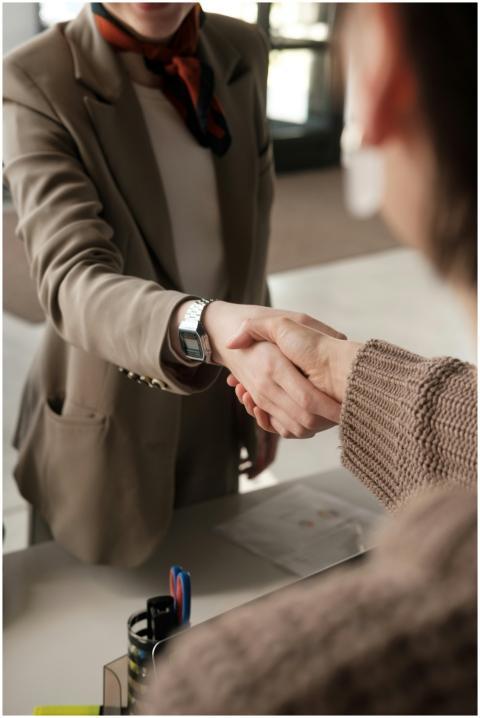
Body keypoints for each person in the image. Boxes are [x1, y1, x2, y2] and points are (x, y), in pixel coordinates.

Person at [142, 3, 477, 714]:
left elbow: (251, 217)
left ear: (380, 70)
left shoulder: (256, 689)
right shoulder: (33, 74)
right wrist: (340, 371)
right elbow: (74, 273)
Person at [3, 2, 340, 567]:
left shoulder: (243, 50)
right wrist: (207, 327)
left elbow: (245, 246)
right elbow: (73, 279)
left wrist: (254, 383)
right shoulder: (36, 77)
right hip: (103, 416)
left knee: (205, 605)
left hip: (219, 392)